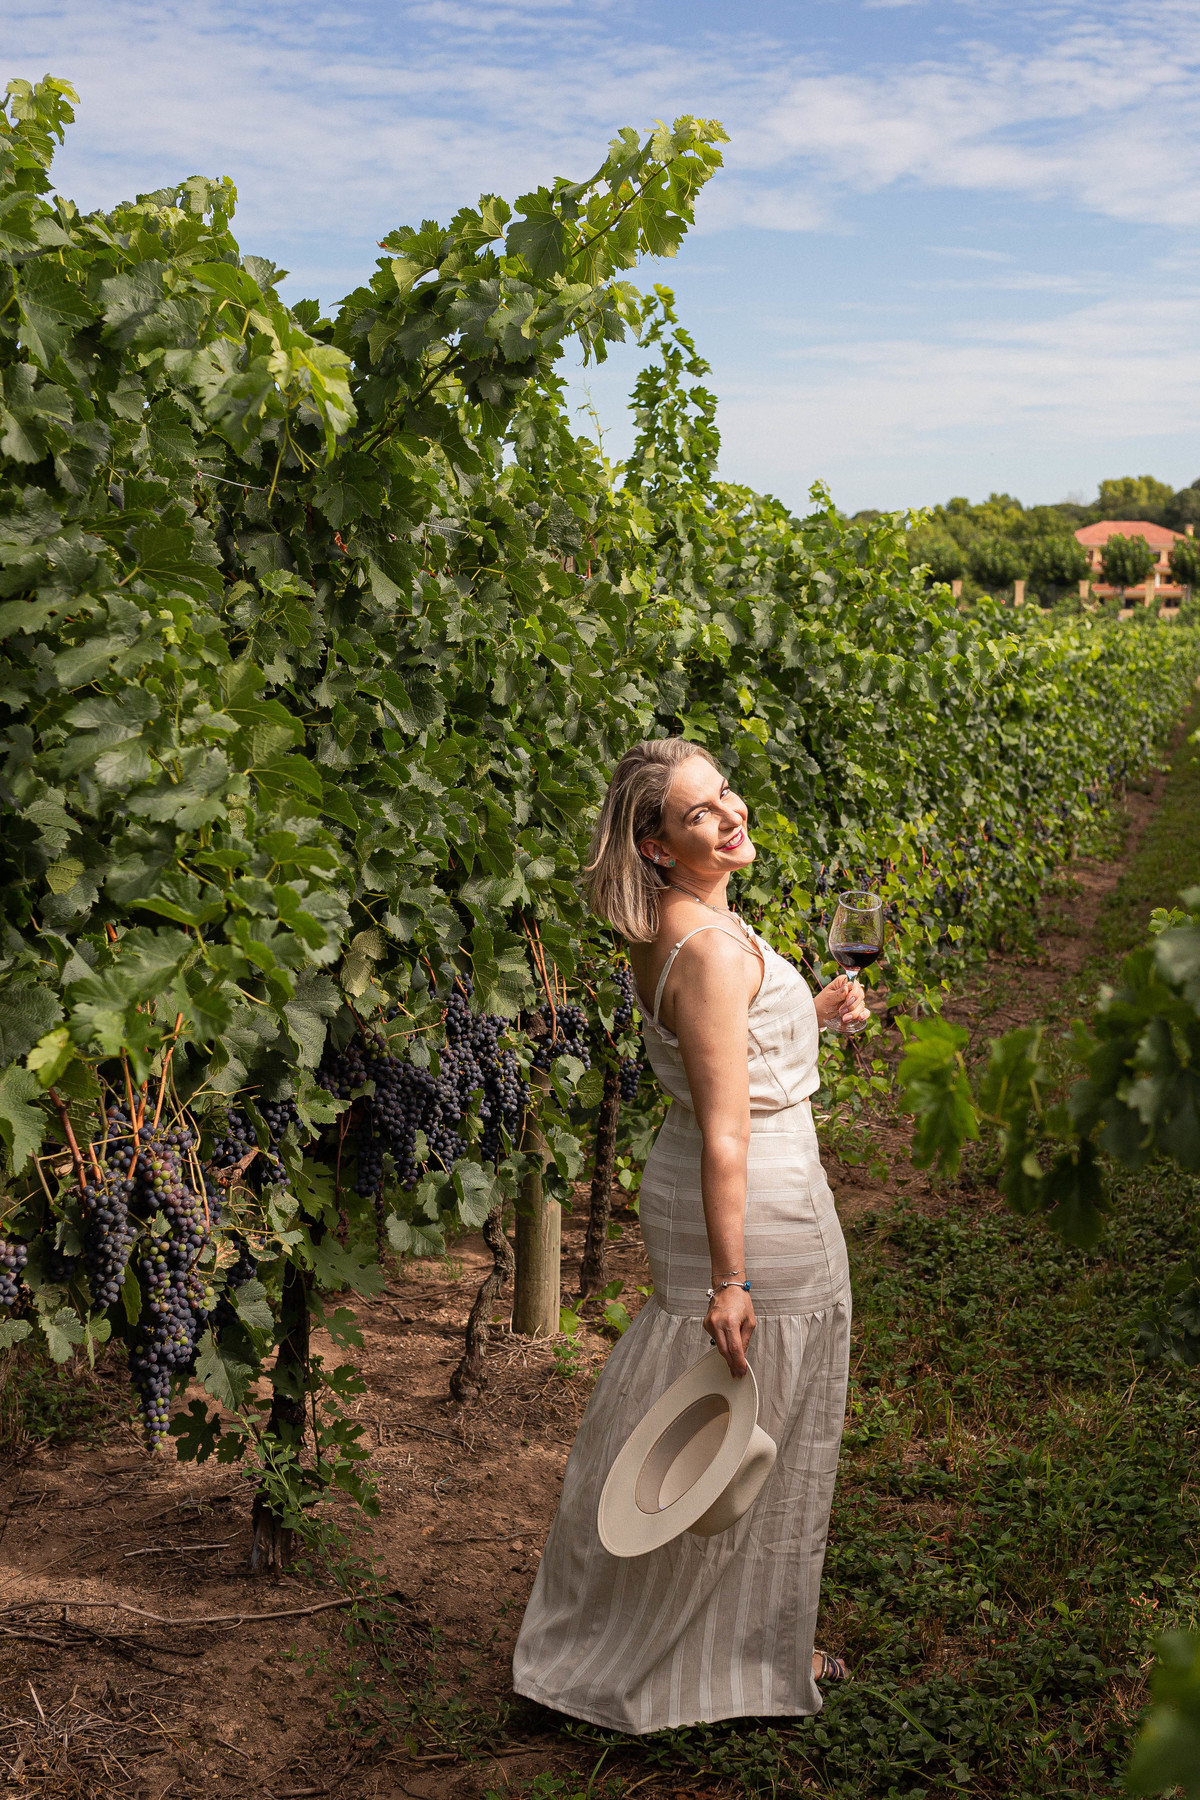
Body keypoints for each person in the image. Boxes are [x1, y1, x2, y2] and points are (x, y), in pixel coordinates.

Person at [512, 738, 867, 1735]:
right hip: (756, 1198)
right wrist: (732, 1279)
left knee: (700, 1417)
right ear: (657, 846)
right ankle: (717, 1654)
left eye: (725, 797)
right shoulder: (707, 947)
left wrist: (817, 1020)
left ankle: (719, 1635)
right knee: (753, 1423)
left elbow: (730, 1062)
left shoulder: (679, 923)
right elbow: (727, 1128)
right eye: (702, 812)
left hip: (717, 1178)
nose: (731, 814)